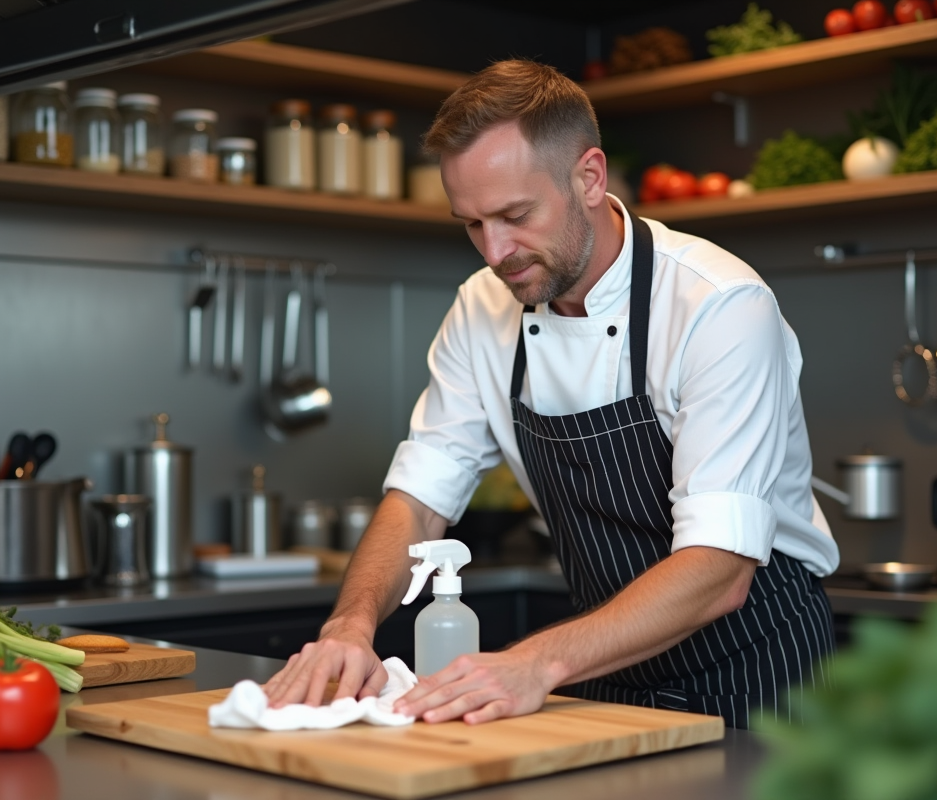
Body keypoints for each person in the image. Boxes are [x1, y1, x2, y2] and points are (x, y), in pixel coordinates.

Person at [264, 59, 840, 730]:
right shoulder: (481, 309)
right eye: (471, 224)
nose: (494, 252)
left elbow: (720, 568)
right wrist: (349, 626)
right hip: (602, 663)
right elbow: (418, 502)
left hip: (755, 669)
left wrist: (534, 663)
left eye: (515, 215)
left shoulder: (718, 306)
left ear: (589, 177)